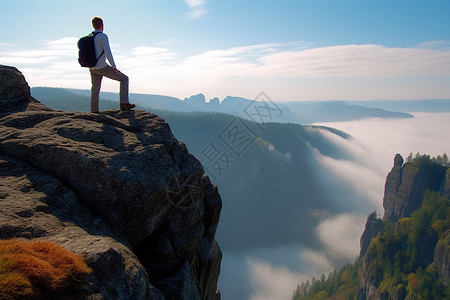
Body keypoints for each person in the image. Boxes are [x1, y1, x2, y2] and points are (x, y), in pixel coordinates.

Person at [89, 16, 135, 113]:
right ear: (102, 25)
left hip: (91, 67)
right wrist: (114, 67)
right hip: (101, 66)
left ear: (93, 25)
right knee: (124, 79)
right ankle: (124, 103)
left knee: (95, 88)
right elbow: (108, 53)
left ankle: (94, 110)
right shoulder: (103, 36)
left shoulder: (90, 37)